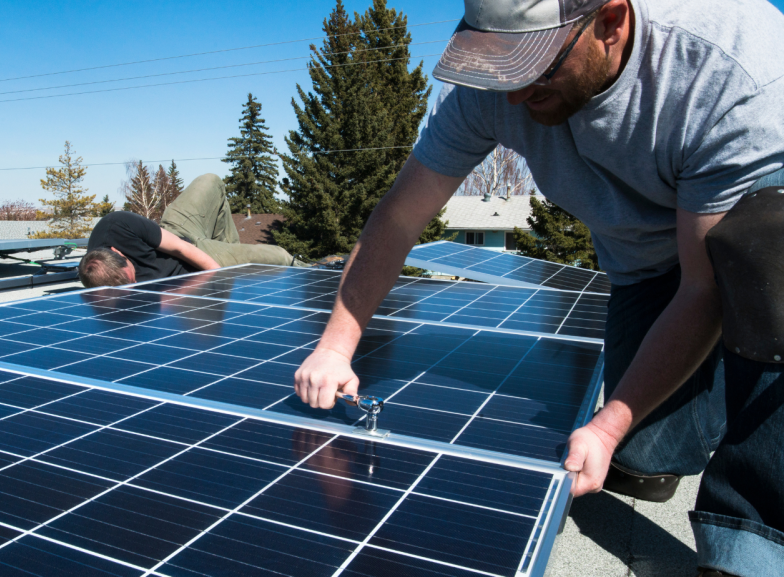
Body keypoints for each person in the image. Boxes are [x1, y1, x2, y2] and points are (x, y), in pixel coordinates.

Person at [291, 0, 784, 575]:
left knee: (765, 299)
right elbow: (400, 217)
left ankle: (752, 544)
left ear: (611, 22)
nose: (514, 97)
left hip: (756, 231)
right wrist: (335, 345)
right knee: (645, 451)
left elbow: (702, 289)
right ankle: (702, 394)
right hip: (642, 258)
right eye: (500, 67)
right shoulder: (491, 84)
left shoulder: (731, 73)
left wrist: (604, 425)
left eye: (536, 69)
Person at [78, 173, 295, 287]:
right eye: (132, 285)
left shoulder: (118, 224)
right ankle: (321, 267)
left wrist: (223, 279)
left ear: (117, 252)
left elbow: (181, 248)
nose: (136, 283)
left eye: (133, 277)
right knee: (279, 257)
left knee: (211, 181)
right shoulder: (104, 285)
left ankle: (229, 251)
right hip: (189, 274)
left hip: (182, 239)